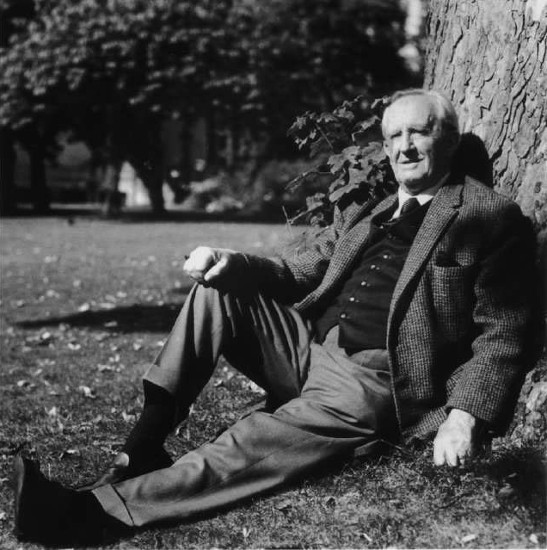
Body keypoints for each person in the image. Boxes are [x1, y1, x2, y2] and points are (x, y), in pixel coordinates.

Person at [12, 89, 540, 546]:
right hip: (309, 349)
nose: (404, 147)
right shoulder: (370, 211)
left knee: (250, 444)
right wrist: (230, 263)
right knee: (218, 291)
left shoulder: (485, 216)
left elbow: (503, 332)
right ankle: (143, 446)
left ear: (447, 138)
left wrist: (465, 414)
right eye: (394, 136)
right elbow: (296, 272)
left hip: (370, 385)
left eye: (418, 133)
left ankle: (90, 513)